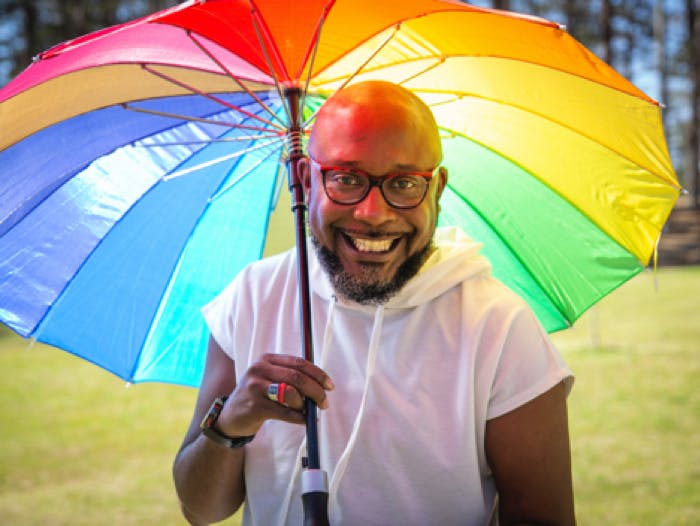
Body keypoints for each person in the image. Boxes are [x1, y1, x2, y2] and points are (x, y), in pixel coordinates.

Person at [173, 80, 576, 526]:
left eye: (404, 183)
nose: (373, 213)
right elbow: (201, 509)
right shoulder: (251, 298)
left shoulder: (497, 326)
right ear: (306, 179)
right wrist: (232, 422)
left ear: (438, 190)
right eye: (346, 178)